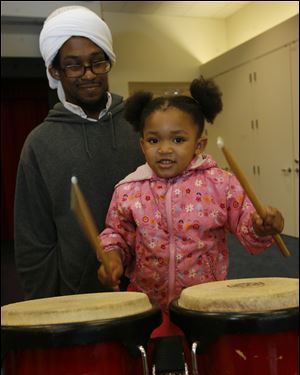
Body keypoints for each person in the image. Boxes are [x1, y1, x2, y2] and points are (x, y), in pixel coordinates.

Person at [97, 76, 284, 336]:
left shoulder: (220, 183)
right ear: (142, 144)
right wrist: (112, 257)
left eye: (177, 140)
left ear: (199, 145)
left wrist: (262, 226)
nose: (164, 149)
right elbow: (117, 235)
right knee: (153, 367)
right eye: (154, 140)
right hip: (148, 305)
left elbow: (246, 222)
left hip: (205, 304)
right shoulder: (129, 189)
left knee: (208, 367)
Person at [14, 5, 144, 300]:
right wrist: (48, 308)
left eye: (97, 62)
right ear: (55, 71)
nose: (89, 74)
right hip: (80, 296)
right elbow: (34, 242)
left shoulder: (140, 125)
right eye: (74, 65)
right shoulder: (39, 144)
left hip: (150, 289)